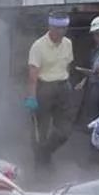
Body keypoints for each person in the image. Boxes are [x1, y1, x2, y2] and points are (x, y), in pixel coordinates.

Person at [24, 11, 74, 167]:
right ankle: (40, 164)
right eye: (58, 28)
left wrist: (67, 84)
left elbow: (67, 66)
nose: (61, 31)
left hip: (63, 87)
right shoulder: (38, 46)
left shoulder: (68, 43)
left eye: (64, 28)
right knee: (41, 130)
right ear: (50, 27)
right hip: (44, 88)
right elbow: (33, 75)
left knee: (64, 131)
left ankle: (45, 153)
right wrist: (31, 97)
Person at [75, 16, 99, 124]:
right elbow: (92, 68)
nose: (96, 38)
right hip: (93, 86)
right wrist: (83, 81)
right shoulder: (96, 50)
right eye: (94, 35)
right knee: (92, 115)